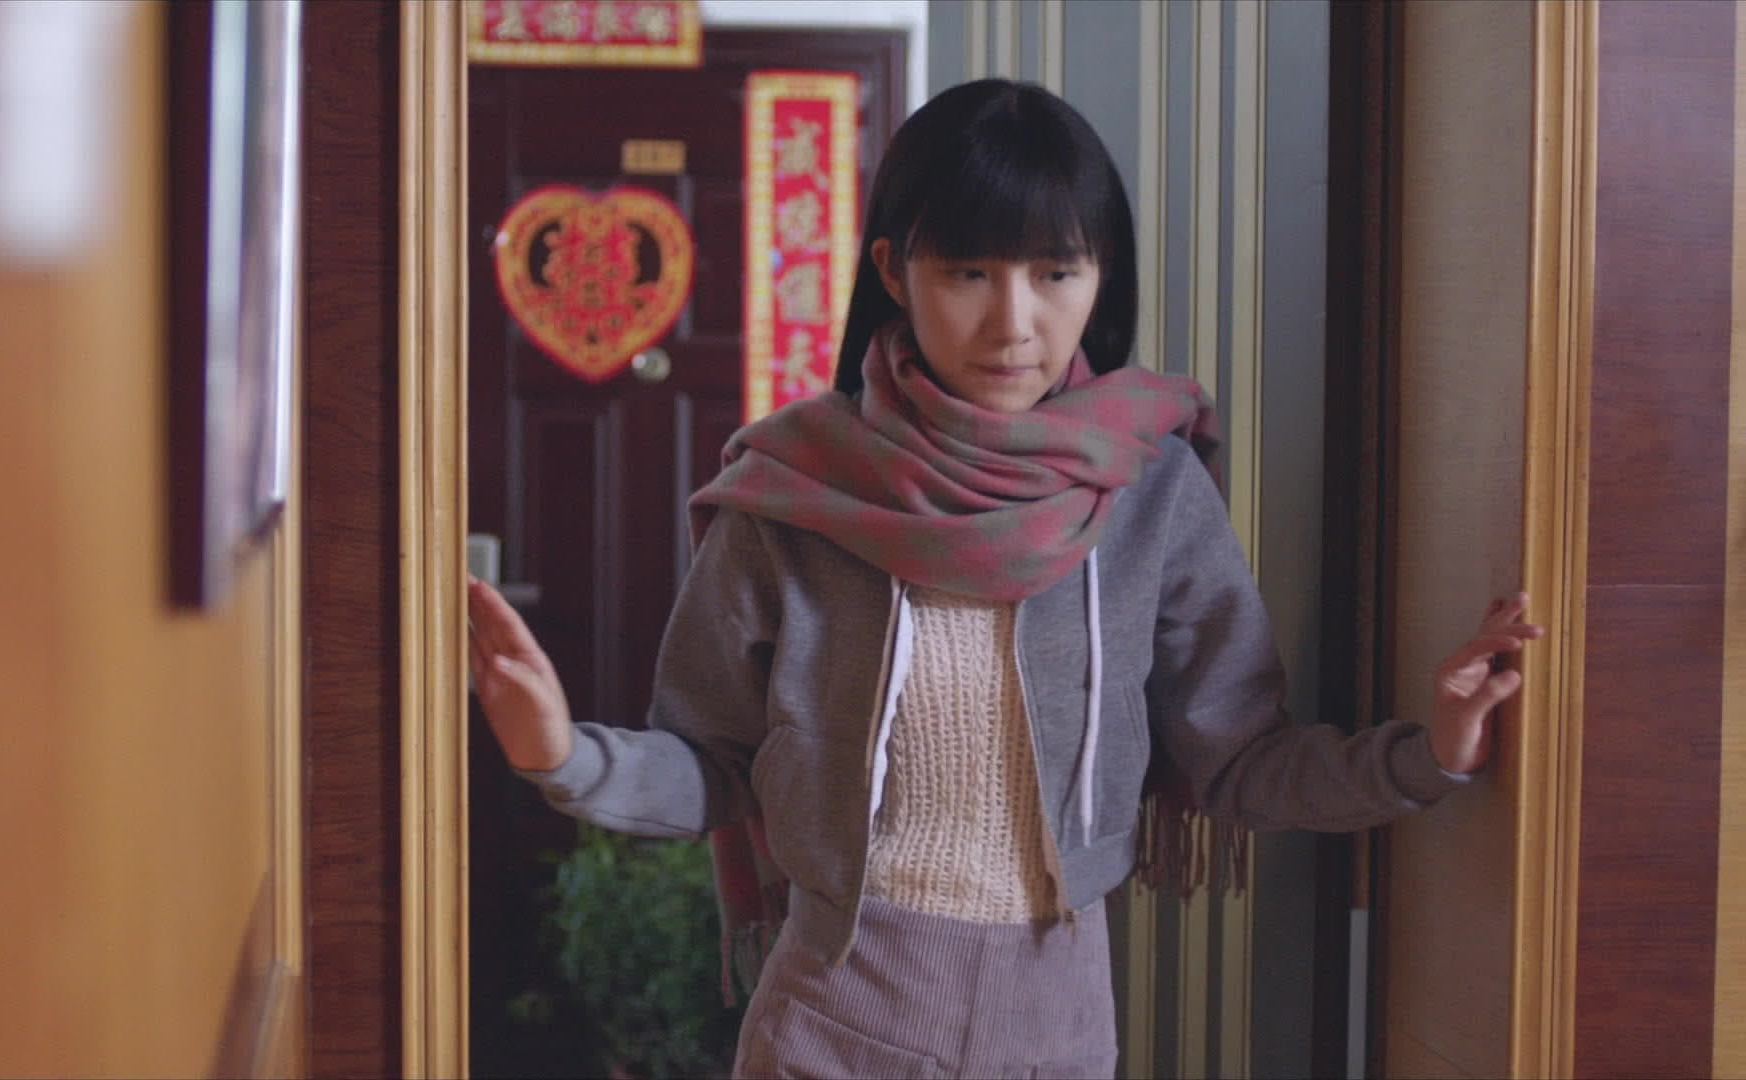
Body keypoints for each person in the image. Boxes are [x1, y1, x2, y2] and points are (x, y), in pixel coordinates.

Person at [466, 78, 1543, 1080]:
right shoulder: (791, 493)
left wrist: (1432, 755)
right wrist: (562, 754)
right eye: (969, 272)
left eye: (1055, 272)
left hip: (1058, 1035)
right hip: (830, 1028)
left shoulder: (1153, 491)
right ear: (895, 272)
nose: (1014, 322)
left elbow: (1241, 761)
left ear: (1100, 274)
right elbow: (714, 766)